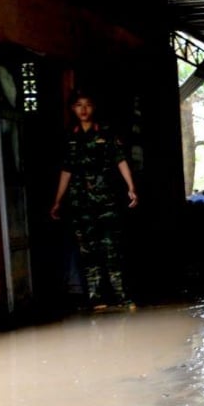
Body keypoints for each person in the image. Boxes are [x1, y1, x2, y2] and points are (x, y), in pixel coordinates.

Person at [50, 89, 139, 311]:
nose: (83, 109)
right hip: (81, 204)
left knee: (112, 250)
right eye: (78, 105)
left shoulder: (106, 133)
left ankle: (123, 296)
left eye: (87, 104)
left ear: (94, 108)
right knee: (88, 252)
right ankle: (96, 298)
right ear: (72, 109)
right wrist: (57, 201)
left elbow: (121, 160)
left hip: (106, 202)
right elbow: (66, 171)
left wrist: (131, 187)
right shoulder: (70, 136)